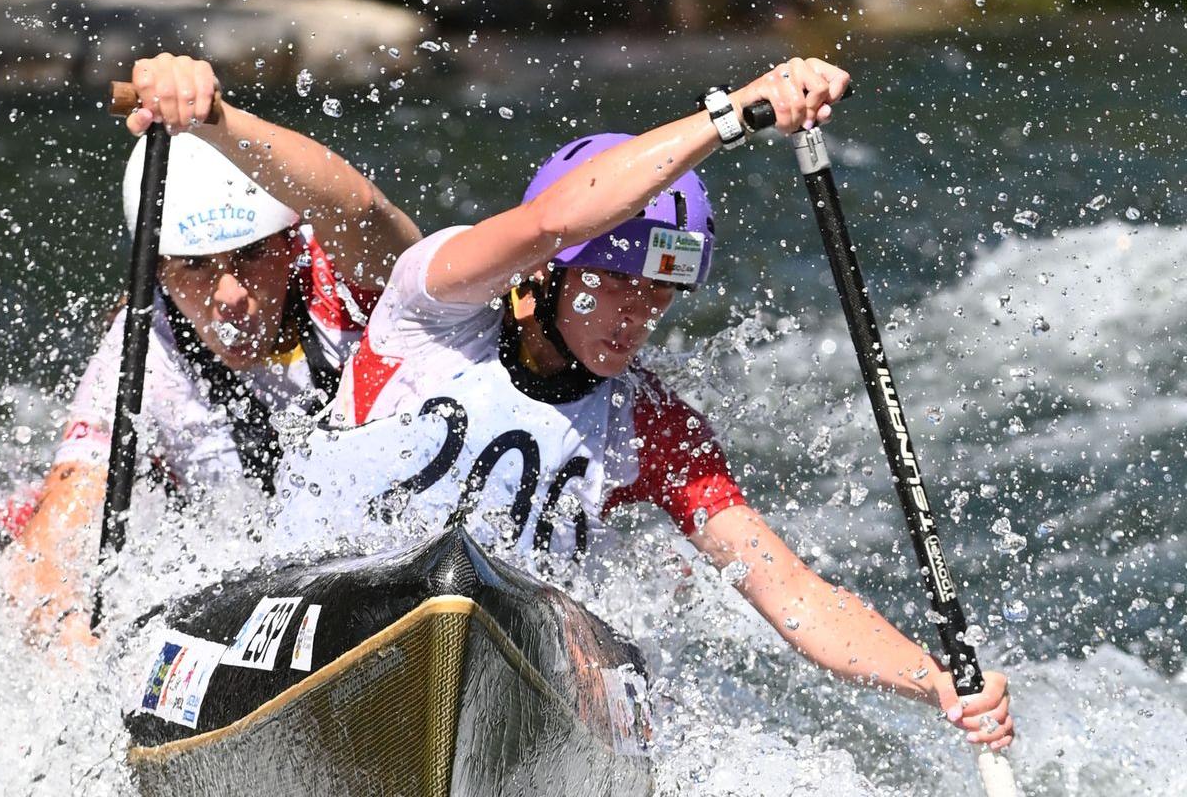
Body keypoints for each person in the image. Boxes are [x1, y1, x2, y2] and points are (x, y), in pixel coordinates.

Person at [274, 57, 1014, 751]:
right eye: (615, 282)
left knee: (576, 639)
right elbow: (550, 222)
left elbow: (793, 594)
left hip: (483, 653)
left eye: (659, 290)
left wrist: (938, 683)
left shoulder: (650, 426)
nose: (638, 313)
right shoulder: (432, 308)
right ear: (544, 276)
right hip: (321, 602)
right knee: (451, 579)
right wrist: (732, 115)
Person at [8, 53, 421, 649]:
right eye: (196, 268)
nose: (230, 295)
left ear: (291, 241)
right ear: (160, 275)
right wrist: (71, 636)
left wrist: (216, 119)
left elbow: (363, 211)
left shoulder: (353, 287)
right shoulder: (139, 349)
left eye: (253, 255)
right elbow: (50, 545)